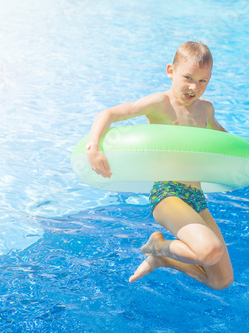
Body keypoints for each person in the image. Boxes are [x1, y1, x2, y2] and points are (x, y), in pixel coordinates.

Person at [86, 41, 233, 290]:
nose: (193, 87)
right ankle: (157, 245)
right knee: (210, 251)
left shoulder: (206, 109)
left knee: (221, 281)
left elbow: (223, 140)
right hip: (168, 192)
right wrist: (94, 147)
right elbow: (110, 113)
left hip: (196, 196)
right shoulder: (160, 103)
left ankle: (162, 259)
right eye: (187, 77)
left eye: (202, 81)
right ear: (170, 71)